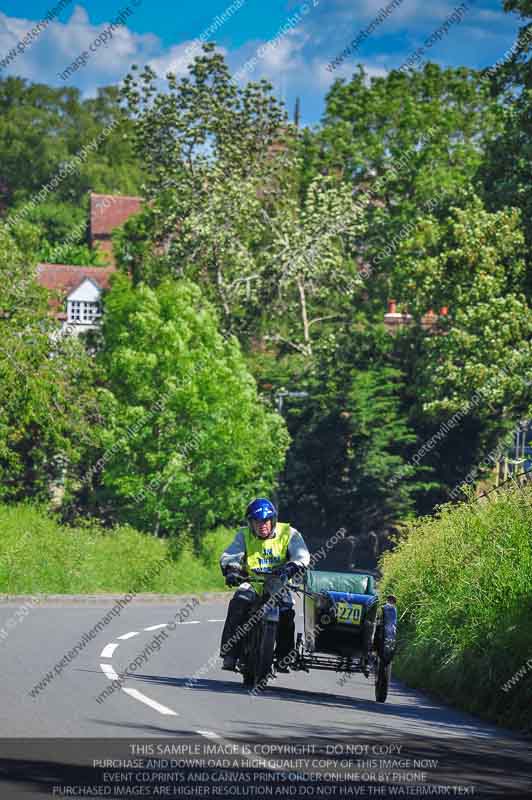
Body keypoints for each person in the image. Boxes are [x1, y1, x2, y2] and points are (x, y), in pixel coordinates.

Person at [219, 498, 310, 672]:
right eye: (257, 521)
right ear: (250, 523)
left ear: (273, 520)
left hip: (278, 583)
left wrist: (293, 567)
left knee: (286, 612)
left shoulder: (289, 533)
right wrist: (232, 570)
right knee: (238, 603)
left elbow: (302, 555)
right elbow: (231, 554)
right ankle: (230, 654)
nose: (262, 525)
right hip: (251, 582)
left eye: (266, 521)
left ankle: (284, 657)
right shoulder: (243, 535)